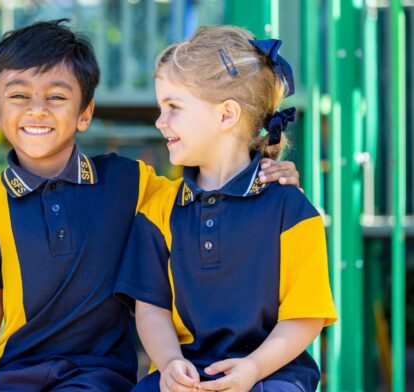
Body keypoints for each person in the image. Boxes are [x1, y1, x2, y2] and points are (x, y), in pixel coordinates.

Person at [0, 20, 301, 392]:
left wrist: (265, 169)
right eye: (18, 96)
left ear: (85, 113)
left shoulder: (130, 181)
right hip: (15, 368)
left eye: (57, 97)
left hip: (97, 372)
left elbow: (213, 189)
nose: (38, 110)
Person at [115, 26, 337, 392]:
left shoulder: (292, 210)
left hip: (272, 373)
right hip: (186, 372)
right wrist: (170, 362)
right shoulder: (157, 210)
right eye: (160, 107)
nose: (160, 121)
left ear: (226, 115)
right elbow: (150, 307)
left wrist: (252, 368)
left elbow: (306, 315)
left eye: (173, 107)